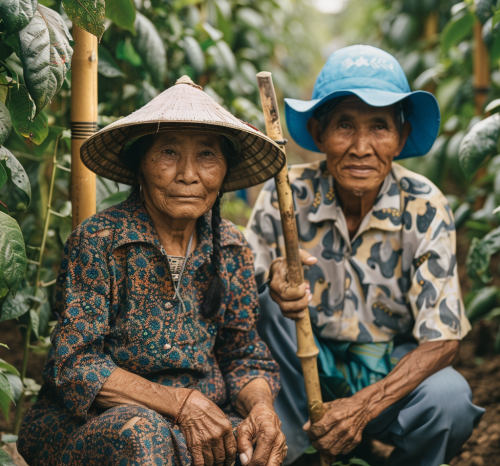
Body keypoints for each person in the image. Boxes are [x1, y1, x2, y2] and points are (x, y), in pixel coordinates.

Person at [18, 76, 288, 466]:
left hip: (199, 422)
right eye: (168, 153)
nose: (189, 175)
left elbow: (243, 355)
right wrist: (179, 404)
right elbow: (74, 364)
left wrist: (261, 411)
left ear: (225, 170)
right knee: (142, 435)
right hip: (97, 424)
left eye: (208, 155)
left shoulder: (230, 247)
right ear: (140, 164)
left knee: (259, 445)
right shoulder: (100, 240)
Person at [245, 45, 484, 466]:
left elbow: (443, 340)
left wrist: (365, 406)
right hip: (300, 370)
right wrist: (272, 282)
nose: (360, 147)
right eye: (344, 126)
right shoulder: (285, 194)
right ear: (318, 133)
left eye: (379, 127)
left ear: (402, 137)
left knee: (450, 401)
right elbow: (237, 299)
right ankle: (290, 450)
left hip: (388, 367)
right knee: (262, 305)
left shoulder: (425, 206)